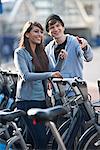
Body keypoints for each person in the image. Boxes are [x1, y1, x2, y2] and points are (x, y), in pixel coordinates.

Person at [14, 21, 65, 149]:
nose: (40, 35)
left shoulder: (42, 53)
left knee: (38, 139)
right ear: (27, 34)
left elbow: (53, 72)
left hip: (41, 101)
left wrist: (61, 60)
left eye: (41, 32)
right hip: (26, 102)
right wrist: (49, 75)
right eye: (36, 31)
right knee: (41, 139)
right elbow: (26, 76)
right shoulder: (20, 53)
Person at [45, 14, 93, 80]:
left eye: (58, 25)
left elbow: (89, 58)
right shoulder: (48, 49)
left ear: (63, 27)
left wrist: (85, 47)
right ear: (48, 32)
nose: (56, 29)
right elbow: (50, 71)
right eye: (52, 27)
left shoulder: (75, 41)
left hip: (75, 87)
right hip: (57, 88)